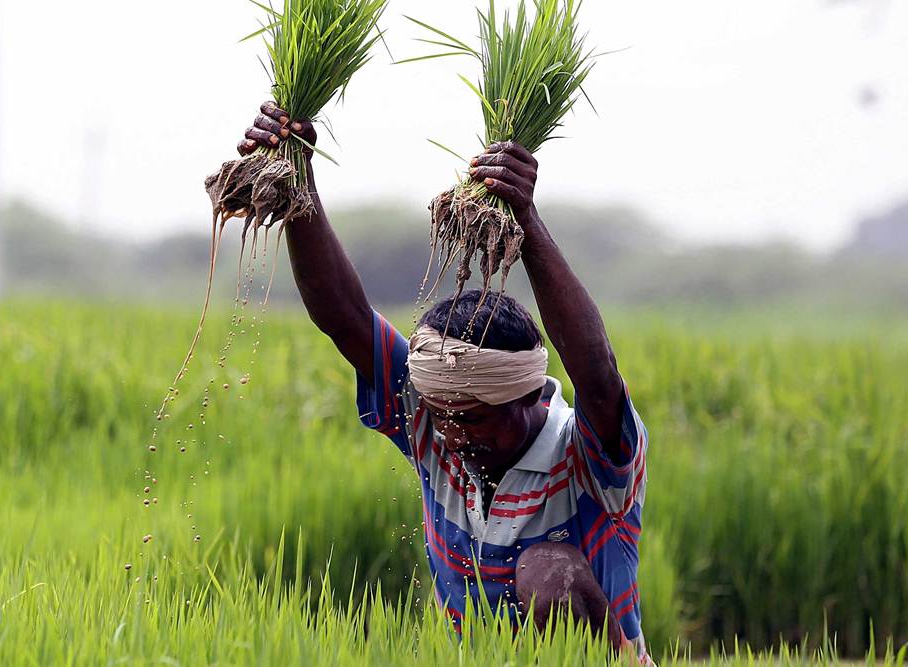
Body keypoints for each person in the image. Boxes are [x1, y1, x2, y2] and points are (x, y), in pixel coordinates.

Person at [238, 101, 649, 655]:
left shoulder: (590, 456)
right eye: (445, 415)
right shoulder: (434, 419)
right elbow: (345, 317)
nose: (453, 435)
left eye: (475, 419)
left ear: (527, 395)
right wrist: (297, 176)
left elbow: (598, 376)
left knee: (545, 571)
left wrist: (525, 219)